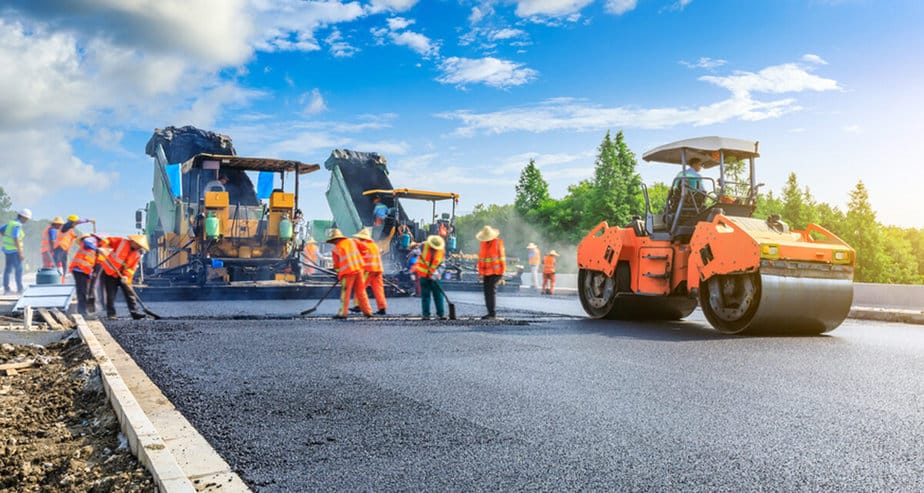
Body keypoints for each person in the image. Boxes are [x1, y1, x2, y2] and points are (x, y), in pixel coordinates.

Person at [97, 234, 148, 320]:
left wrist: (126, 276)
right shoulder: (121, 242)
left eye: (140, 246)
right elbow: (107, 240)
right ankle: (111, 314)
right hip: (110, 272)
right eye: (138, 244)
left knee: (130, 294)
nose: (139, 247)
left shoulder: (137, 254)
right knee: (111, 295)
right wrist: (102, 247)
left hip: (123, 276)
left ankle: (134, 313)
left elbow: (131, 268)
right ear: (134, 241)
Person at [326, 228, 372, 319]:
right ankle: (368, 312)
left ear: (335, 239)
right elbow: (365, 248)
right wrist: (359, 257)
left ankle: (343, 313)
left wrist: (339, 275)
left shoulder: (335, 249)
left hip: (347, 273)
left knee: (345, 293)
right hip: (359, 270)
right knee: (361, 292)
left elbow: (337, 266)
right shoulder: (353, 241)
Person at [352, 227, 387, 315]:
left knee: (360, 287)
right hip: (378, 270)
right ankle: (382, 308)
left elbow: (359, 258)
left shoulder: (364, 245)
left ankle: (358, 305)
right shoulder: (374, 245)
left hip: (368, 270)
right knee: (378, 289)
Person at [476, 225, 506, 320]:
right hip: (486, 273)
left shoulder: (497, 243)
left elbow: (502, 258)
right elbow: (481, 260)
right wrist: (480, 273)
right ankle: (490, 313)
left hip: (496, 272)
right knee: (487, 292)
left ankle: (492, 314)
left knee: (491, 292)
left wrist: (502, 272)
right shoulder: (483, 245)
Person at [414, 235, 446, 320]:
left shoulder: (441, 250)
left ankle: (441, 314)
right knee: (425, 296)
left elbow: (442, 265)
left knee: (438, 296)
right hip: (424, 276)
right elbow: (413, 251)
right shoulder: (423, 246)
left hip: (435, 278)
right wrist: (415, 252)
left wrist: (437, 272)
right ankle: (426, 315)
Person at [55, 214, 95, 282]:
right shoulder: (66, 226)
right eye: (75, 223)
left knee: (64, 265)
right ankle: (57, 279)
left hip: (64, 249)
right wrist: (88, 220)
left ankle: (62, 281)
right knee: (58, 264)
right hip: (60, 247)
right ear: (72, 221)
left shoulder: (69, 229)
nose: (76, 225)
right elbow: (78, 221)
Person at [1, 208, 31, 295]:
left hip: (7, 250)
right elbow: (16, 238)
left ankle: (6, 289)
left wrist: (5, 236)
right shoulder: (17, 225)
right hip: (14, 251)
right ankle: (20, 289)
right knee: (19, 270)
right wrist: (20, 252)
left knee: (7, 270)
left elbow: (1, 229)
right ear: (22, 217)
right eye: (26, 218)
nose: (26, 220)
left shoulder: (11, 223)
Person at [69, 234, 100, 318]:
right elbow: (87, 242)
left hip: (82, 270)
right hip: (80, 269)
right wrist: (96, 248)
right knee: (82, 291)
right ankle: (83, 312)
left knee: (82, 291)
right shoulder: (90, 241)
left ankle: (82, 311)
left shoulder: (93, 246)